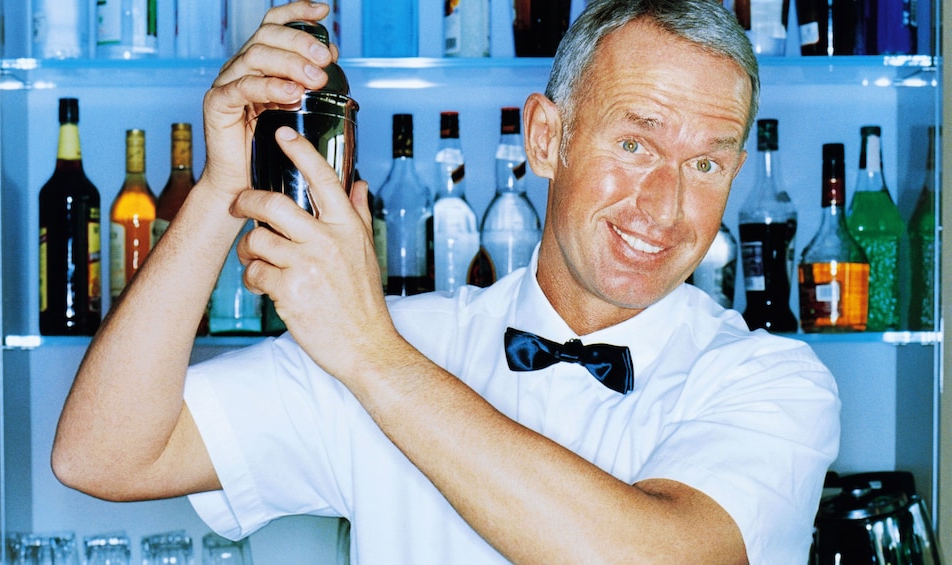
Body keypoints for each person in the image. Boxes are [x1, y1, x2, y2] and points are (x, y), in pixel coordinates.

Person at [51, 0, 841, 563]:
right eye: (635, 144)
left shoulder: (771, 382)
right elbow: (104, 454)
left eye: (705, 162)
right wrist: (224, 190)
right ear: (545, 137)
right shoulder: (401, 336)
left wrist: (374, 358)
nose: (666, 206)